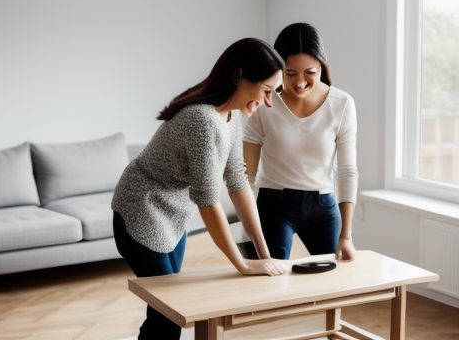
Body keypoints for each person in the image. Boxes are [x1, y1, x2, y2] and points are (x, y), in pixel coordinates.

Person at [112, 38, 285, 340]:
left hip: (173, 217)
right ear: (238, 77)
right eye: (267, 91)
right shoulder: (202, 119)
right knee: (169, 313)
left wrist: (263, 253)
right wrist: (242, 264)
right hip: (141, 211)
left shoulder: (230, 117)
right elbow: (207, 199)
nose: (268, 102)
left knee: (165, 312)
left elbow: (238, 182)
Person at [243, 23, 358, 262]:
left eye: (310, 73)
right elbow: (246, 175)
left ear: (322, 66)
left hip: (324, 206)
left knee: (331, 284)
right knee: (272, 281)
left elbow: (347, 171)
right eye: (290, 73)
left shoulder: (342, 103)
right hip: (274, 205)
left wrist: (346, 236)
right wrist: (247, 226)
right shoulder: (264, 103)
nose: (300, 83)